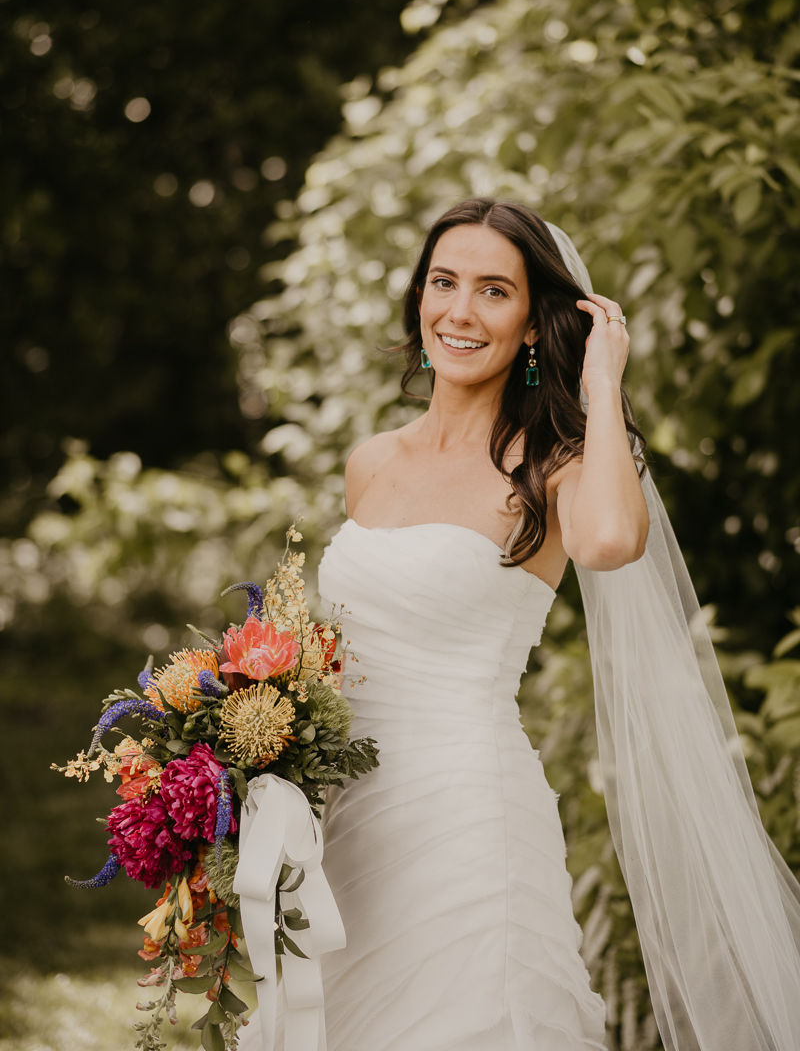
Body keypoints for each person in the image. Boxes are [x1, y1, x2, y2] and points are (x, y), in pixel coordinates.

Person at [245, 198, 800, 1051]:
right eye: (443, 283)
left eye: (494, 291)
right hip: (343, 819)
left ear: (534, 325)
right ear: (419, 298)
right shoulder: (372, 461)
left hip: (466, 817)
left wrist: (604, 380)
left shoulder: (556, 468)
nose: (460, 312)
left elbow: (612, 542)